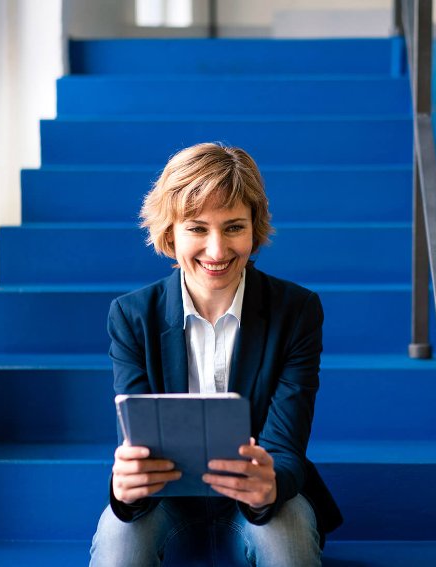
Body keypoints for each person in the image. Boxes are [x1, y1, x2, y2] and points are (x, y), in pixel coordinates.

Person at [89, 142, 342, 566]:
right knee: (118, 546)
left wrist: (268, 487)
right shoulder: (131, 316)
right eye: (197, 228)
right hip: (164, 499)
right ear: (170, 232)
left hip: (260, 497)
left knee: (290, 549)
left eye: (233, 227)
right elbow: (137, 446)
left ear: (255, 227)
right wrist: (124, 488)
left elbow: (286, 447)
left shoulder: (296, 311)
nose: (217, 250)